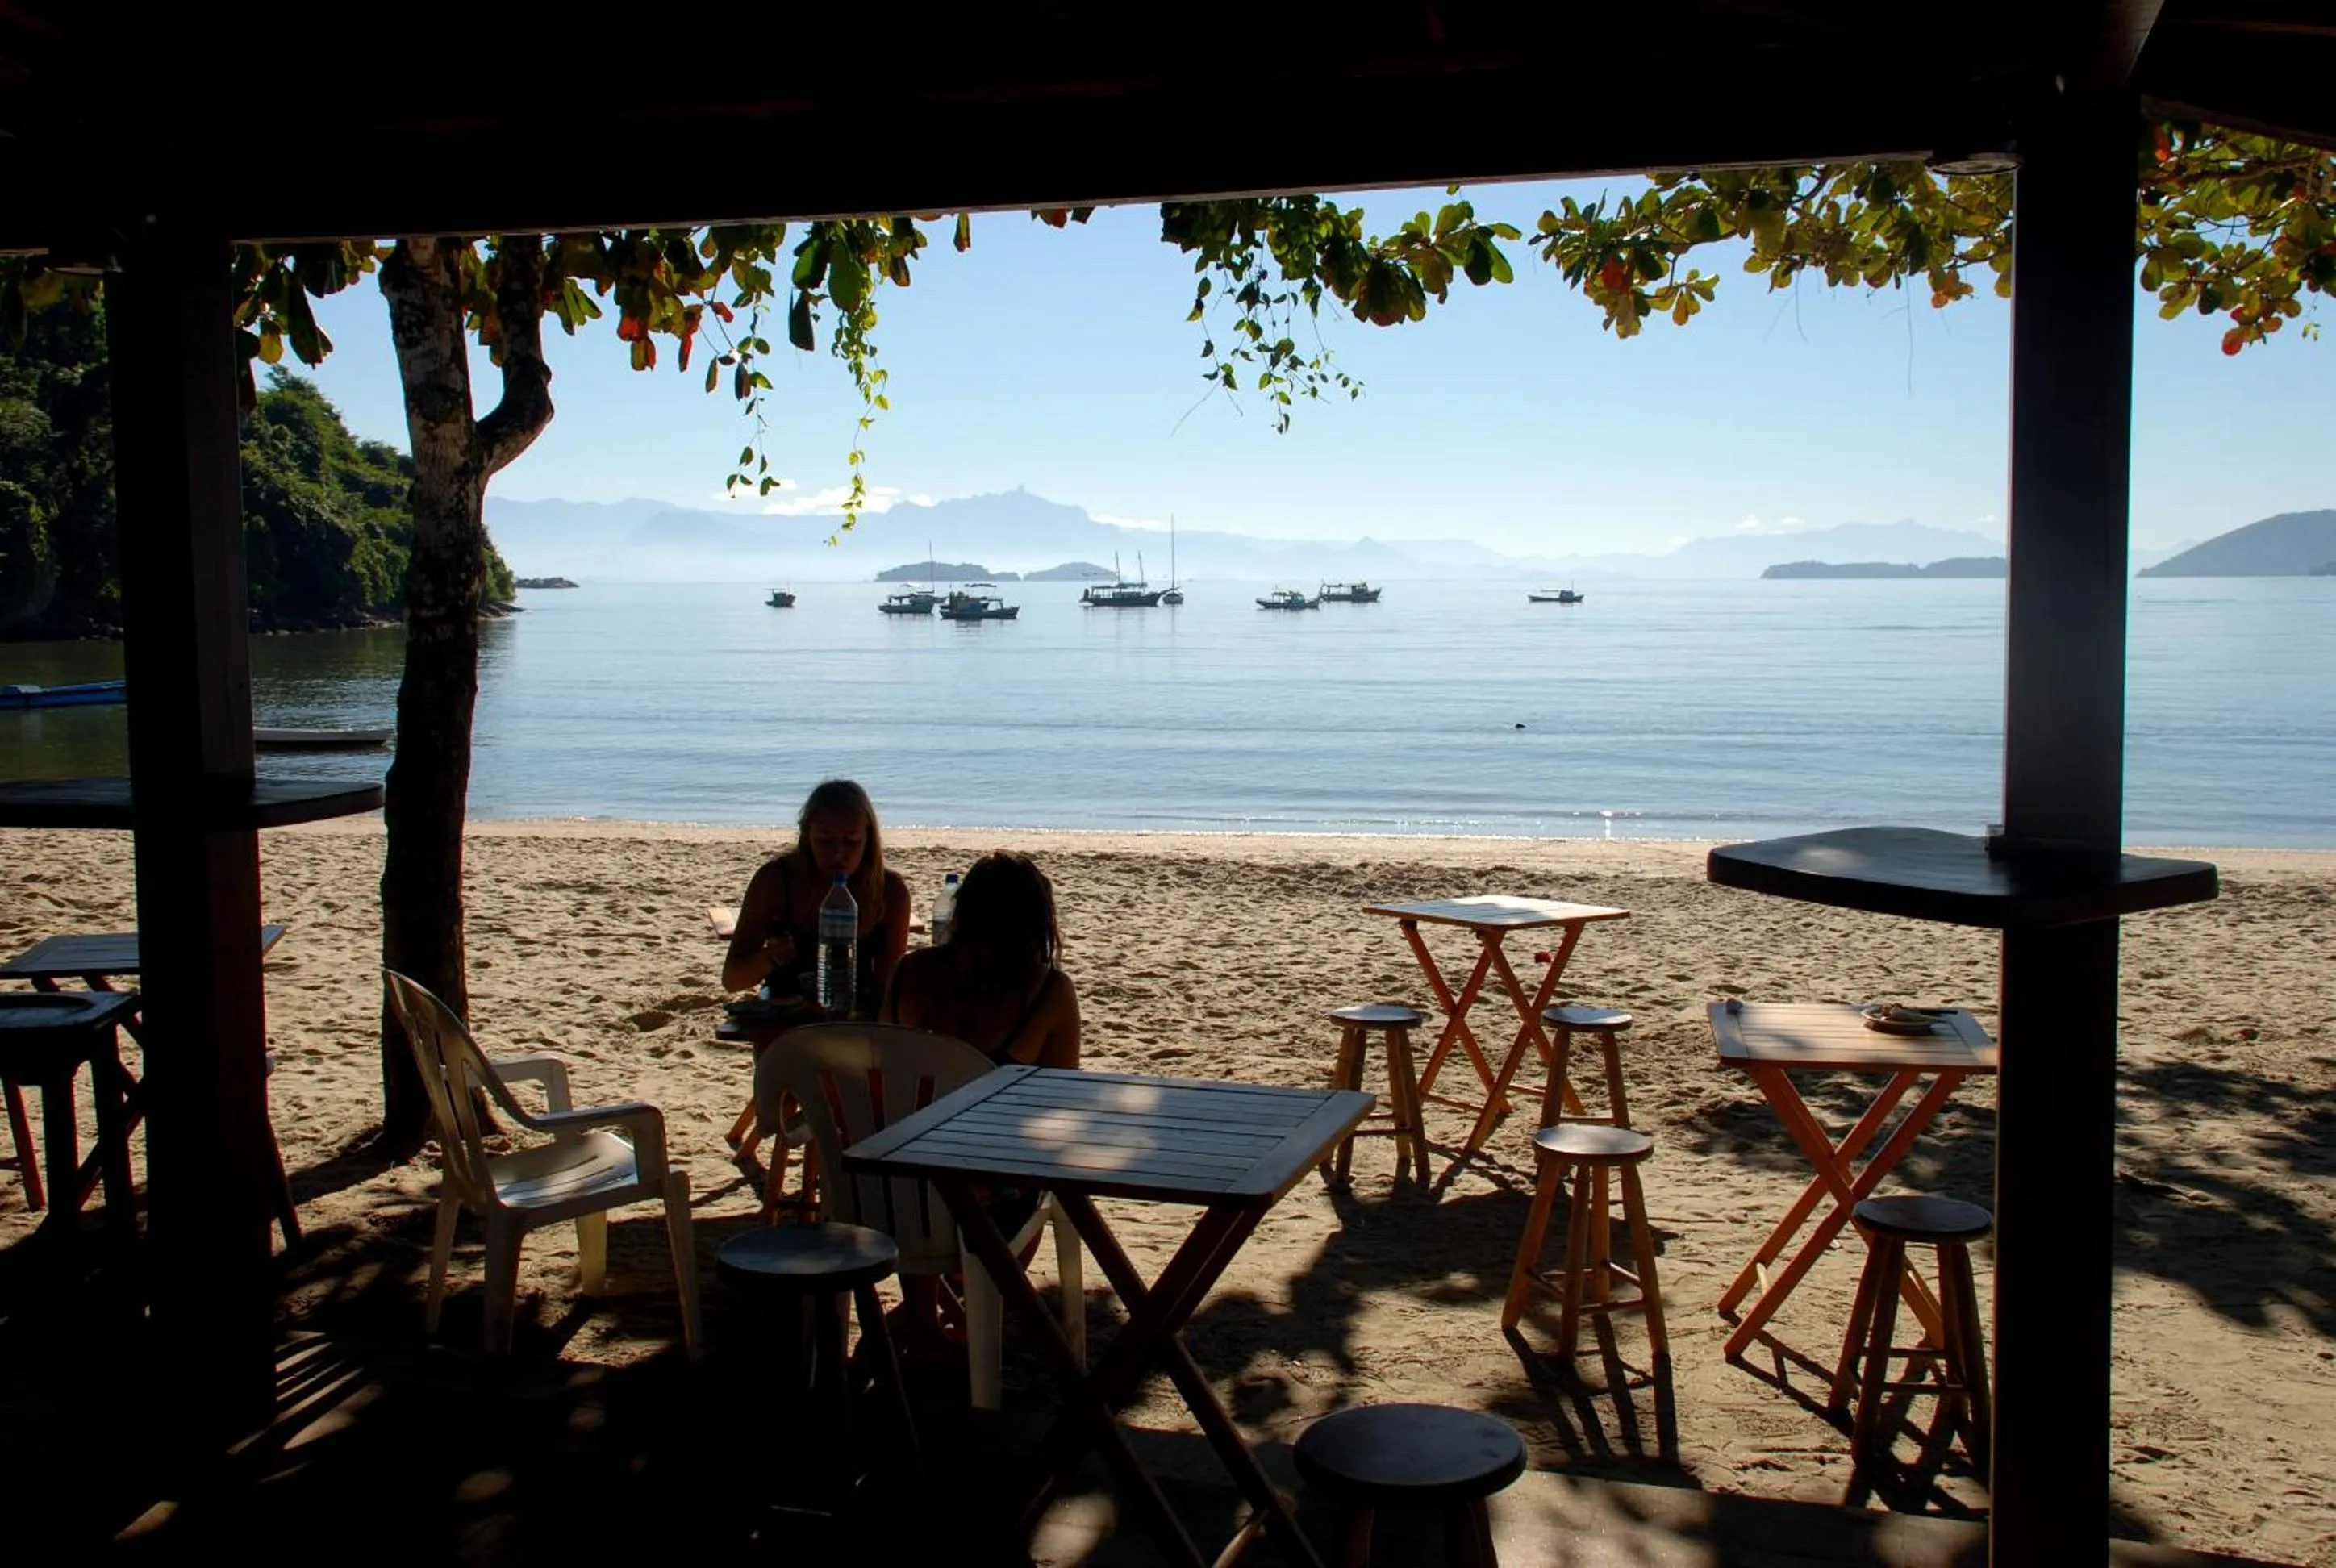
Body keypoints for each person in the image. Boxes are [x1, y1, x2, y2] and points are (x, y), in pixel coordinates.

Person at [722, 779, 912, 1015]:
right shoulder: (776, 882)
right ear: (806, 836)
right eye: (825, 840)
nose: (838, 853)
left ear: (869, 839)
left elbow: (889, 989)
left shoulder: (889, 891)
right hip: (786, 1022)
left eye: (852, 841)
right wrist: (769, 958)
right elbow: (732, 979)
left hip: (857, 1021)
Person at [882, 849, 1081, 1069]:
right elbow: (1062, 1088)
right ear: (1035, 924)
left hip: (915, 1102)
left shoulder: (909, 971)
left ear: (961, 910)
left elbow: (884, 1064)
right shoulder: (1050, 991)